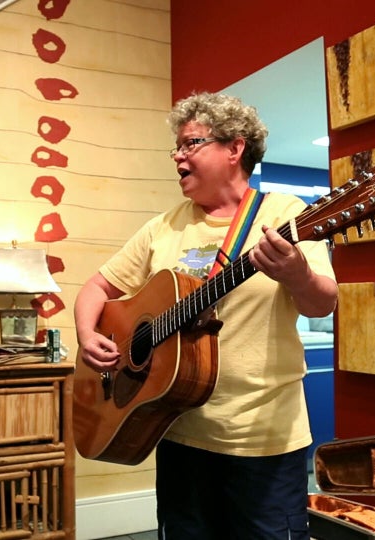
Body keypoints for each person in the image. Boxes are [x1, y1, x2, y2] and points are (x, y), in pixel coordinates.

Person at [74, 92, 337, 539]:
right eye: (176, 147)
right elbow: (97, 288)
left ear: (235, 149)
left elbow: (321, 303)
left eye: (190, 143)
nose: (178, 155)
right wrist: (86, 334)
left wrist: (295, 272)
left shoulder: (285, 215)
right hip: (176, 430)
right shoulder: (165, 225)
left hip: (263, 441)